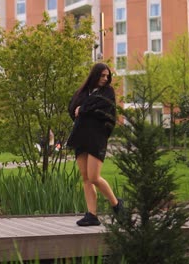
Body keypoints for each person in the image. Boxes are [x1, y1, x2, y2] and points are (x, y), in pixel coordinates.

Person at [67, 62, 124, 226]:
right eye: (102, 75)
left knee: (94, 177)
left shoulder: (108, 92)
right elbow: (72, 109)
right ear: (95, 75)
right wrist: (82, 110)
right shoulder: (82, 92)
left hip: (97, 138)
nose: (105, 79)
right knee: (85, 177)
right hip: (80, 137)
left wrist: (83, 110)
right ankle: (92, 215)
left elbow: (101, 109)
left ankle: (117, 205)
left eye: (107, 76)